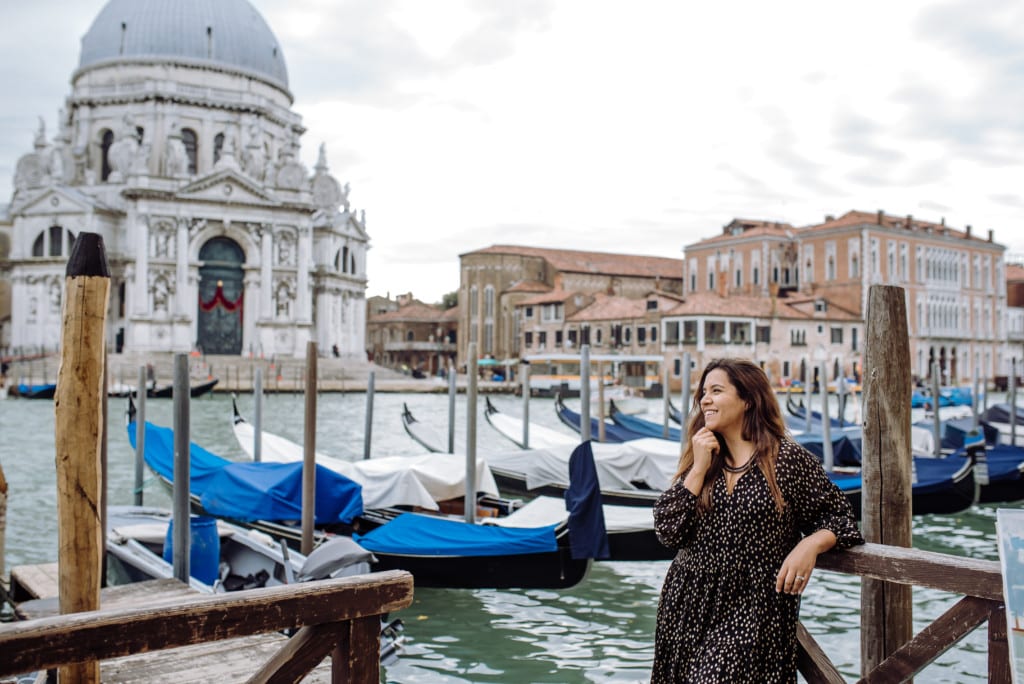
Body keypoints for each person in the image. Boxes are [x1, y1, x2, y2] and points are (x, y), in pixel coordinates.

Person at [652, 358, 863, 683]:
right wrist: (698, 470)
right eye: (703, 392)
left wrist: (810, 544)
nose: (704, 400)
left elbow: (841, 517)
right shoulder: (703, 458)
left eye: (716, 391)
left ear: (748, 399)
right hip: (688, 601)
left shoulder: (787, 460)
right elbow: (668, 531)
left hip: (755, 606)